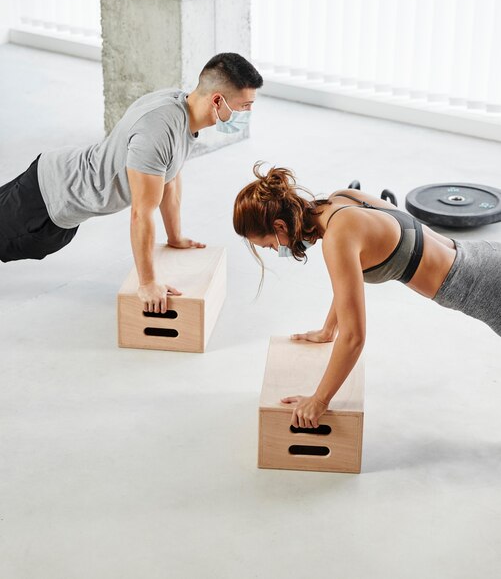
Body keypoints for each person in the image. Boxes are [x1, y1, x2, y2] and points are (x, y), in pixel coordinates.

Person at [233, 162, 501, 429]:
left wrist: (319, 400)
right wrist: (328, 330)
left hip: (485, 287)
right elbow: (348, 284)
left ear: (280, 226)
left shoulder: (339, 238)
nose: (276, 250)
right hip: (483, 256)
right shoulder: (342, 199)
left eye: (269, 246)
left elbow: (354, 338)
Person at [0, 53, 263, 313]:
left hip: (54, 183)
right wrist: (147, 283)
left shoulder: (180, 108)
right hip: (46, 202)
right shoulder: (158, 131)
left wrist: (175, 237)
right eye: (245, 105)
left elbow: (169, 179)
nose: (249, 111)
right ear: (218, 100)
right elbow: (141, 213)